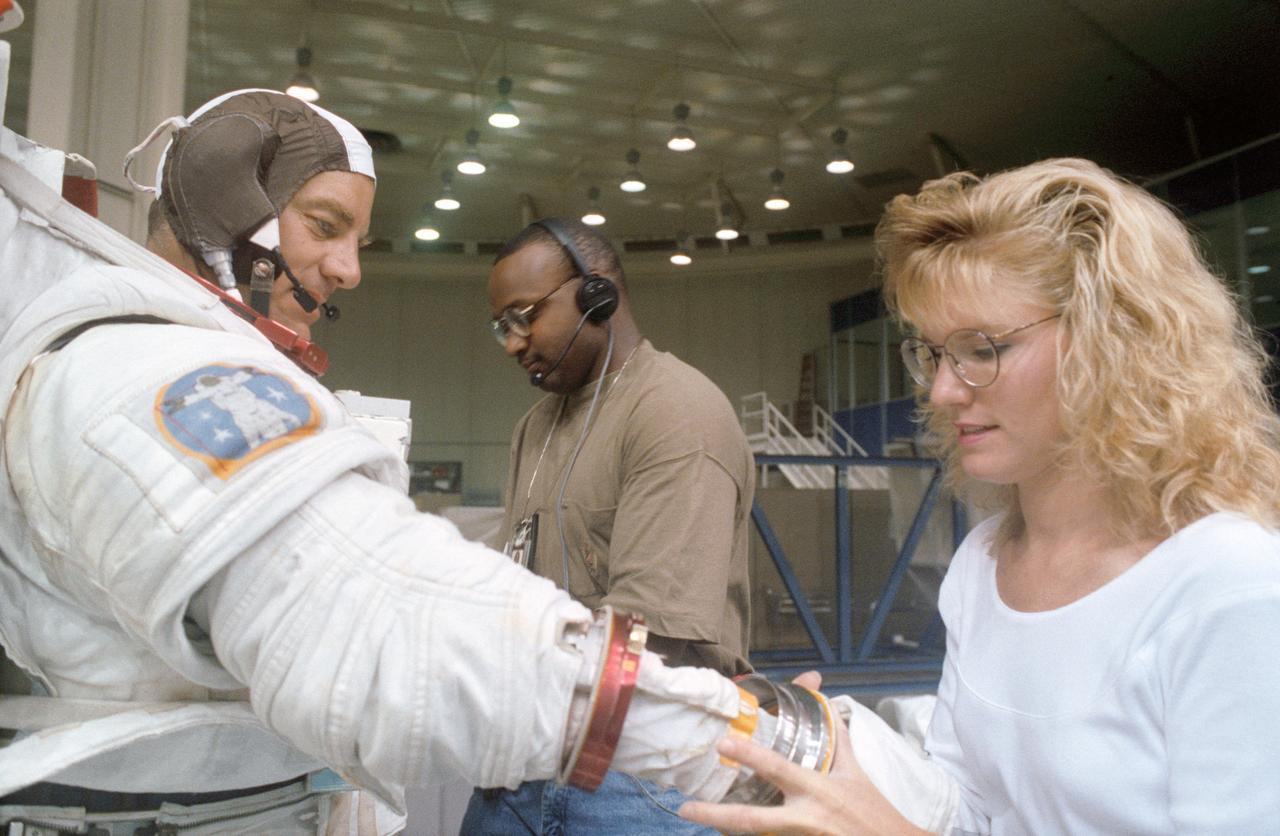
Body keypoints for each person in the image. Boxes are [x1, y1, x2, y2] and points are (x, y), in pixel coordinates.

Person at [0, 89, 763, 835]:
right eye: (325, 226)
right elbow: (387, 625)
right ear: (224, 201)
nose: (347, 270)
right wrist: (750, 738)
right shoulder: (147, 373)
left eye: (355, 240)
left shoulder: (673, 410)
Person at [679, 157, 1280, 835]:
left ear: (1116, 343)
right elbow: (968, 814)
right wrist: (830, 751)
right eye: (934, 353)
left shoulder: (1228, 585)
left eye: (981, 348)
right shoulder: (983, 563)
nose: (942, 390)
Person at [463, 218, 756, 834]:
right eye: (502, 328)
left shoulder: (676, 412)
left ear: (598, 296)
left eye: (525, 316)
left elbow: (646, 636)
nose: (514, 343)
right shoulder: (534, 428)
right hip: (525, 756)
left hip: (634, 775)